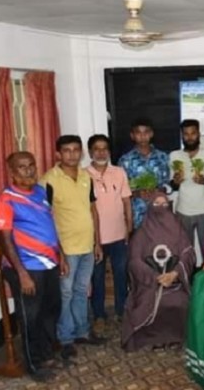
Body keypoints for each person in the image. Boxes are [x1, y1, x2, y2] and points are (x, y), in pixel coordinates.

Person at [0, 152, 66, 382]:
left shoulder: (41, 192)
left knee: (50, 310)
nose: (29, 170)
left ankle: (46, 355)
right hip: (26, 267)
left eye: (31, 165)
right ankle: (33, 364)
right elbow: (5, 240)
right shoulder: (5, 200)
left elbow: (49, 225)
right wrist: (22, 273)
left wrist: (61, 255)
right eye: (22, 167)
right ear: (12, 172)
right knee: (30, 317)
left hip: (49, 264)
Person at [40, 135, 106, 361]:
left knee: (81, 290)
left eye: (76, 150)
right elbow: (45, 219)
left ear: (81, 153)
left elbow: (93, 210)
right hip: (65, 248)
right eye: (66, 150)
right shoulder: (48, 180)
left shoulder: (86, 176)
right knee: (65, 294)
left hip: (87, 245)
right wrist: (58, 252)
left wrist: (97, 242)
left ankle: (82, 332)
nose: (72, 154)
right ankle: (66, 339)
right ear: (58, 154)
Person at [121, 194, 196, 351]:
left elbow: (188, 253)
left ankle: (175, 336)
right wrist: (155, 277)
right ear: (150, 207)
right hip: (149, 284)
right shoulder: (142, 232)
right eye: (156, 204)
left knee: (179, 301)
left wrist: (175, 273)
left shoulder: (178, 230)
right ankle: (152, 338)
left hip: (175, 282)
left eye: (164, 205)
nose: (161, 209)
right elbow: (134, 261)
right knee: (151, 302)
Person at [86, 134, 132, 331]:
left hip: (119, 234)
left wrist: (129, 227)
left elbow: (126, 201)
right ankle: (99, 315)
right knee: (96, 277)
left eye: (104, 148)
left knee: (121, 274)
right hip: (95, 237)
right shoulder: (83, 175)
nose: (101, 152)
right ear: (90, 152)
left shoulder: (119, 172)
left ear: (109, 151)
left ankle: (122, 311)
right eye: (96, 149)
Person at [169, 119, 204, 266]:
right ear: (182, 136)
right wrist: (176, 181)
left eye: (193, 133)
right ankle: (187, 279)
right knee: (185, 252)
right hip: (183, 210)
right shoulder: (174, 155)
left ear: (199, 134)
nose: (190, 137)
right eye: (186, 134)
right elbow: (173, 185)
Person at [118, 118, 170, 229]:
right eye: (138, 132)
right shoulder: (125, 160)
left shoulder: (163, 157)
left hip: (160, 215)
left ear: (151, 134)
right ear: (132, 135)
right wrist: (137, 193)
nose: (142, 136)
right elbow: (121, 191)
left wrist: (160, 191)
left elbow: (168, 184)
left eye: (146, 132)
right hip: (137, 216)